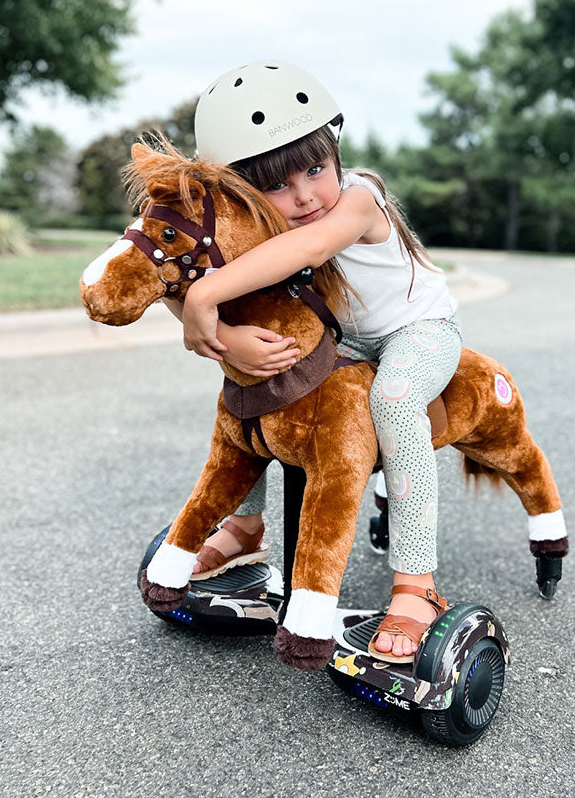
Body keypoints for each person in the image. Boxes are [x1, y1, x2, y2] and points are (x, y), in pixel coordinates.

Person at [177, 61, 461, 663]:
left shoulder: (358, 198)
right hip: (345, 338)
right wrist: (218, 328)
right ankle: (245, 530)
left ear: (336, 154)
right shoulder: (255, 227)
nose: (306, 194)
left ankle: (417, 583)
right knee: (258, 387)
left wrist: (205, 299)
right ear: (244, 191)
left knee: (393, 400)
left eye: (315, 167)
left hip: (417, 329)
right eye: (279, 185)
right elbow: (175, 268)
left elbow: (308, 247)